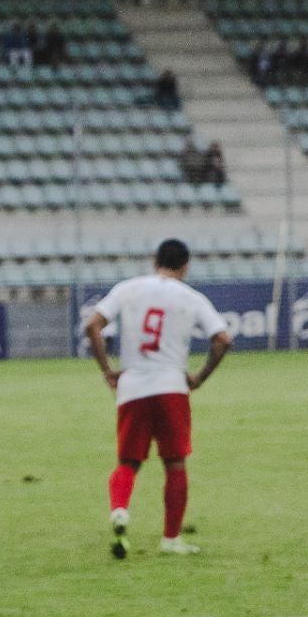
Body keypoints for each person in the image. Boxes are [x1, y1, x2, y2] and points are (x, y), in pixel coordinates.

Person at [83, 240, 233, 559]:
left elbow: (92, 325)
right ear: (186, 266)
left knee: (128, 462)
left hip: (132, 386)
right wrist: (200, 377)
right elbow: (222, 339)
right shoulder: (191, 297)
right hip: (171, 386)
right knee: (174, 463)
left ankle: (120, 509)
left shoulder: (128, 289)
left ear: (154, 261)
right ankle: (170, 538)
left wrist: (108, 370)